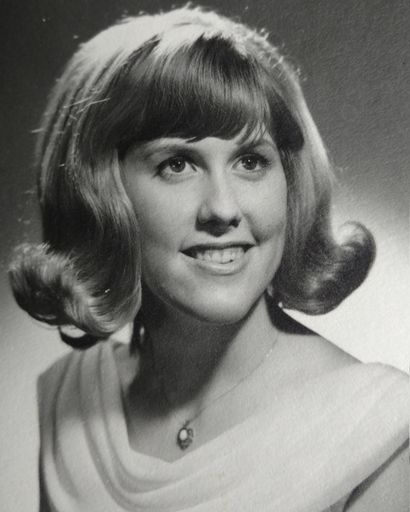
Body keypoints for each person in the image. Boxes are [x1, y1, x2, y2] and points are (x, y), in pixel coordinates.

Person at [9, 6, 408, 512]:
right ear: (100, 193)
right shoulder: (68, 398)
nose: (222, 208)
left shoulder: (377, 428)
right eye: (177, 164)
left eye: (251, 161)